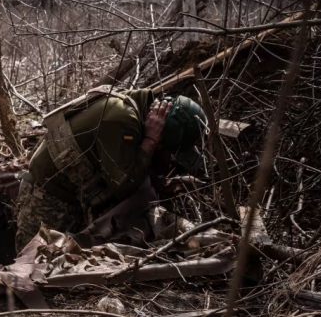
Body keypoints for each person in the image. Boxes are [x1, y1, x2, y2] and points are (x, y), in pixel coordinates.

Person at [14, 86, 206, 249]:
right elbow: (122, 185)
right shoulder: (123, 118)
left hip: (67, 193)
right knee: (36, 263)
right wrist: (149, 141)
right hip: (46, 194)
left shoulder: (135, 106)